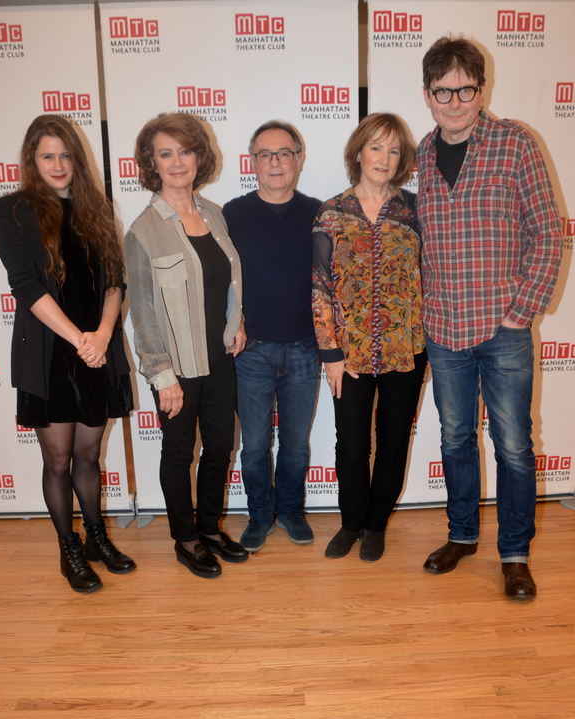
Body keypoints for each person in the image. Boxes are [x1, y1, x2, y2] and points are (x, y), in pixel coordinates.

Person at [417, 36, 562, 600]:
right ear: (427, 95)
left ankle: (515, 553)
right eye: (443, 90)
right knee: (455, 439)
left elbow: (549, 232)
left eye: (465, 89)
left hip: (504, 330)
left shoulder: (515, 143)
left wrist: (520, 310)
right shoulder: (422, 156)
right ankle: (461, 535)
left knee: (513, 445)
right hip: (445, 330)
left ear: (483, 89)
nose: (454, 100)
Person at [0, 115, 136, 594]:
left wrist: (104, 334)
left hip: (97, 347)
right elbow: (26, 286)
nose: (58, 164)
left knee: (89, 454)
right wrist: (80, 339)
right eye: (47, 155)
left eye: (66, 155)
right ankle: (67, 548)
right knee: (58, 461)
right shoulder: (9, 210)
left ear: (78, 159)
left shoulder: (97, 208)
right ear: (32, 160)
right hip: (52, 353)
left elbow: (115, 281)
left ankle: (96, 538)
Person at [124, 113, 247, 579]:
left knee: (220, 446)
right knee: (179, 454)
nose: (178, 162)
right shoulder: (143, 231)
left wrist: (238, 323)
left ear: (200, 156)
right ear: (152, 164)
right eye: (166, 153)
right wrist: (161, 375)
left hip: (219, 359)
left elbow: (227, 279)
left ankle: (211, 529)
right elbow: (143, 311)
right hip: (176, 367)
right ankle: (187, 539)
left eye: (186, 151)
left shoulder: (213, 213)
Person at [313, 113, 427, 562]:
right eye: (376, 147)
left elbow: (429, 279)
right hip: (350, 353)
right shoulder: (332, 211)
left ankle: (376, 524)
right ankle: (350, 522)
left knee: (395, 438)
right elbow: (320, 286)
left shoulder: (415, 210)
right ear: (358, 152)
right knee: (352, 443)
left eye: (394, 150)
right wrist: (331, 353)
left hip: (406, 350)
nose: (384, 157)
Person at [222, 121, 321, 552]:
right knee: (256, 444)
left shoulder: (320, 212)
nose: (276, 162)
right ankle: (261, 515)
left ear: (299, 159)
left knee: (296, 444)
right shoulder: (231, 214)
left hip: (305, 348)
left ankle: (292, 511)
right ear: (252, 162)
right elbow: (220, 281)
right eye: (265, 154)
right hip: (252, 351)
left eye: (285, 153)